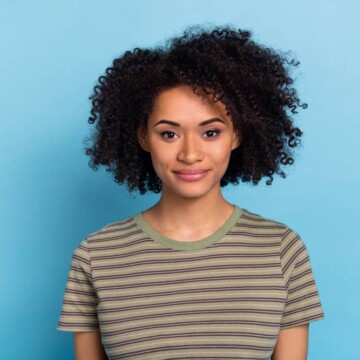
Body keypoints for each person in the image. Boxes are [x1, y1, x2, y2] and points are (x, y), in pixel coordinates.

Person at [58, 25, 324, 360]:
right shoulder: (96, 256)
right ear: (143, 138)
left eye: (210, 132)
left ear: (237, 135)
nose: (190, 154)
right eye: (169, 134)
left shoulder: (281, 249)